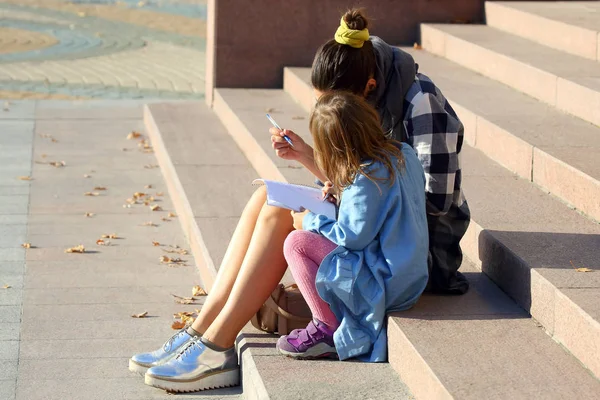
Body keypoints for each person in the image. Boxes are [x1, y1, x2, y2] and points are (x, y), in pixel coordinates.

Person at [129, 7, 468, 393]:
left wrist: (328, 211)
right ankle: (200, 328)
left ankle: (217, 345)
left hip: (413, 254)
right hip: (379, 231)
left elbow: (428, 205)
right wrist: (310, 159)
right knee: (267, 198)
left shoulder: (421, 104)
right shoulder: (365, 110)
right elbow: (370, 188)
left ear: (367, 88)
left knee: (284, 221)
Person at [277, 91, 428, 362]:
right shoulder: (403, 153)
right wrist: (340, 197)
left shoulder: (364, 178)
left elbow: (353, 237)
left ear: (335, 148)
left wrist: (309, 220)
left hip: (386, 284)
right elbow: (383, 210)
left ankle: (326, 328)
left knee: (296, 242)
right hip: (410, 276)